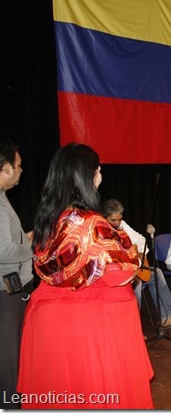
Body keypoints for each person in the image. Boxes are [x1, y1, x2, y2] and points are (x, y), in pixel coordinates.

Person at [17, 143, 153, 409]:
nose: (100, 172)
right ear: (90, 175)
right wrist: (128, 247)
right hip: (89, 327)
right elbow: (121, 274)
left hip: (48, 320)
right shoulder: (92, 223)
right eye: (97, 168)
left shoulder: (48, 219)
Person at [102, 198, 171, 329]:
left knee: (157, 273)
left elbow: (141, 240)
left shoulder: (122, 225)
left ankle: (167, 317)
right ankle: (133, 327)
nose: (117, 223)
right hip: (114, 276)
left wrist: (141, 254)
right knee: (136, 282)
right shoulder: (100, 231)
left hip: (131, 268)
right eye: (113, 220)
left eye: (119, 219)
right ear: (103, 217)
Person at [0, 140, 34, 409]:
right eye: (18, 166)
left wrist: (25, 239)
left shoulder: (3, 199)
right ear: (5, 168)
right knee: (8, 364)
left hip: (8, 291)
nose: (21, 171)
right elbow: (4, 252)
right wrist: (30, 246)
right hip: (4, 293)